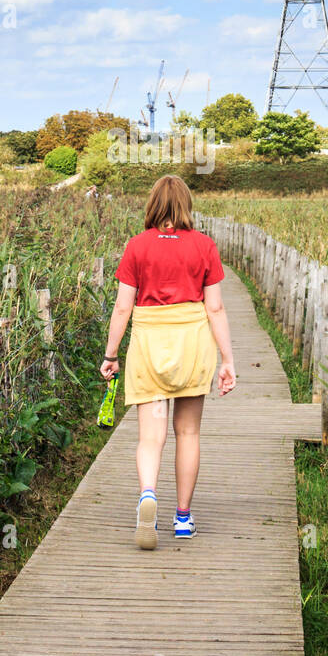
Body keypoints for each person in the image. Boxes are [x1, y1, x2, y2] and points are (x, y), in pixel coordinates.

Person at [100, 174, 236, 550]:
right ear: (186, 206)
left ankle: (147, 496)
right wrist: (227, 360)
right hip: (191, 345)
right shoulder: (205, 246)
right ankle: (182, 518)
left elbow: (123, 306)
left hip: (149, 346)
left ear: (153, 205)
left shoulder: (137, 247)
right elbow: (216, 307)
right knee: (188, 433)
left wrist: (111, 355)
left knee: (151, 435)